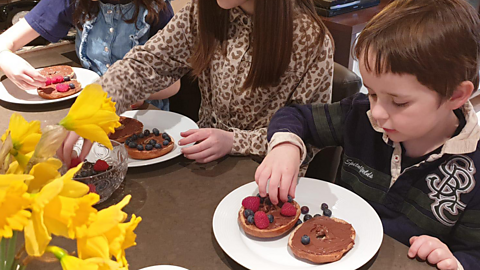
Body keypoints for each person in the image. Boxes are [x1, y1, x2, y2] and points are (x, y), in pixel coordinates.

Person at [255, 0, 480, 269]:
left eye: (399, 102)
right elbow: (296, 117)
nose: (378, 112)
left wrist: (454, 262)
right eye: (372, 93)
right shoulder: (360, 116)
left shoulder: (473, 170)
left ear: (455, 95)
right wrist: (286, 148)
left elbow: (474, 253)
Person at [59, 0, 334, 167]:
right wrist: (99, 100)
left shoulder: (311, 40)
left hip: (268, 176)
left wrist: (235, 141)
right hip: (204, 161)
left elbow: (309, 134)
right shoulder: (203, 12)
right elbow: (147, 63)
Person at [0, 0, 180, 110]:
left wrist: (138, 93)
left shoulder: (157, 7)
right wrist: (6, 58)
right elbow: (5, 42)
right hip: (87, 107)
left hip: (142, 113)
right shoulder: (70, 2)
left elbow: (173, 83)